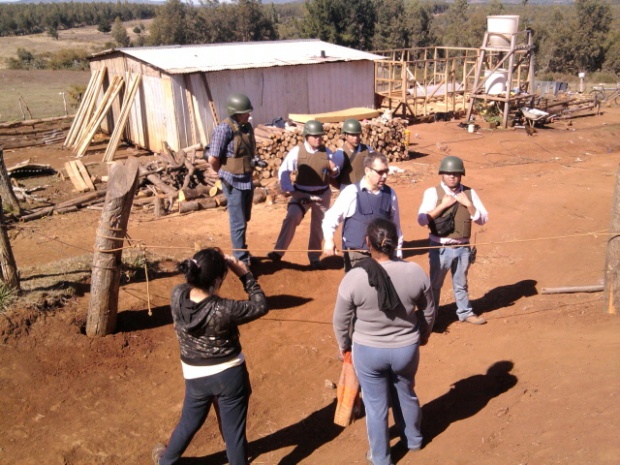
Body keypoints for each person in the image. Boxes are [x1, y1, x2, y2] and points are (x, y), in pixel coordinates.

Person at [152, 248, 268, 465]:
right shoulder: (225, 309)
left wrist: (207, 263)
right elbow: (260, 305)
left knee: (188, 423)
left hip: (195, 375)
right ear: (216, 281)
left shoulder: (177, 294)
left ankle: (166, 461)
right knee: (234, 433)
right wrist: (245, 275)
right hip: (230, 376)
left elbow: (194, 284)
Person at [333, 218, 435, 465]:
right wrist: (423, 333)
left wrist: (344, 345)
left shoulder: (355, 277)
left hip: (368, 351)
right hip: (405, 349)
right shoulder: (415, 272)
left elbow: (340, 320)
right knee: (406, 392)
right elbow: (429, 312)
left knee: (376, 404)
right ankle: (413, 440)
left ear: (368, 243)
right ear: (396, 241)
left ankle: (381, 457)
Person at [417, 155, 489, 325]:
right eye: (448, 173)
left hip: (463, 247)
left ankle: (465, 312)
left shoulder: (469, 193)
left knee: (461, 283)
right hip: (440, 248)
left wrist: (469, 205)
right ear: (442, 174)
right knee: (434, 284)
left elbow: (483, 219)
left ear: (461, 174)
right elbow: (421, 220)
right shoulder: (432, 193)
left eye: (456, 174)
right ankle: (430, 317)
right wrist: (443, 205)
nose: (452, 177)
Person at [267, 120, 340, 269]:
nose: (317, 138)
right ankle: (278, 252)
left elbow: (335, 171)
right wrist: (291, 190)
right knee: (292, 217)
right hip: (302, 194)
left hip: (322, 195)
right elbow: (283, 171)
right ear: (306, 136)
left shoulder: (327, 152)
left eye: (320, 136)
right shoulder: (297, 151)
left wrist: (334, 170)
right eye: (314, 136)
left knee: (319, 226)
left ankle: (314, 257)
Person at [322, 152, 402, 272]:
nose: (385, 176)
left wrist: (398, 250)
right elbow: (330, 218)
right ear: (367, 171)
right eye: (380, 172)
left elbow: (395, 225)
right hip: (358, 256)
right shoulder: (351, 192)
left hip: (384, 256)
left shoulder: (390, 194)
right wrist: (328, 239)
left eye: (386, 171)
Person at [207, 93, 257, 267]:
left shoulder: (246, 127)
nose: (248, 115)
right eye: (245, 112)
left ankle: (242, 251)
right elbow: (213, 158)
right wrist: (220, 173)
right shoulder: (224, 129)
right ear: (235, 112)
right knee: (238, 222)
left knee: (245, 218)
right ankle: (240, 261)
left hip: (247, 179)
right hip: (233, 181)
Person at [331, 118, 375, 189]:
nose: (356, 138)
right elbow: (332, 175)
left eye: (357, 135)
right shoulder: (341, 153)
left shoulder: (367, 149)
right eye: (352, 135)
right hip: (349, 192)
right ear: (345, 136)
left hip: (365, 190)